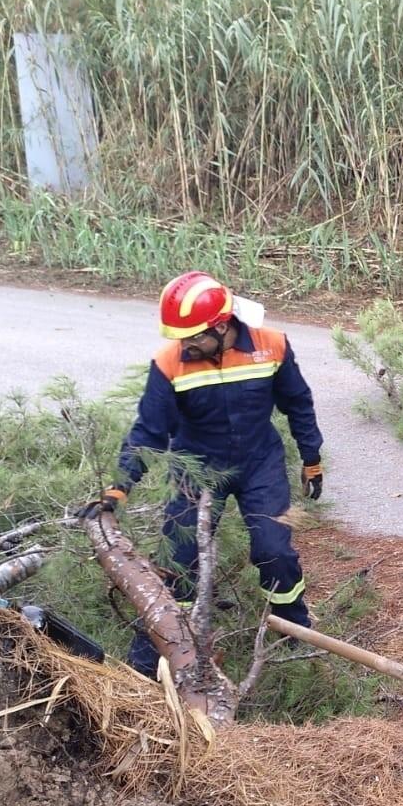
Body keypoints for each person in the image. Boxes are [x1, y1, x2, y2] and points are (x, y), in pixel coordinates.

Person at [82, 271, 325, 678]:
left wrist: (311, 457)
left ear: (221, 325)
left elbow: (298, 403)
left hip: (259, 463)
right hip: (195, 466)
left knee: (274, 549)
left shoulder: (272, 346)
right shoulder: (170, 362)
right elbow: (149, 430)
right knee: (177, 559)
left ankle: (294, 633)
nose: (186, 344)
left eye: (194, 336)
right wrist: (118, 487)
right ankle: (155, 655)